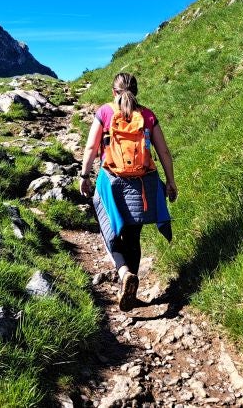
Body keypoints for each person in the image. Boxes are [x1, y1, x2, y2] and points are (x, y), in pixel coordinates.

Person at [79, 72, 178, 311]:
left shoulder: (104, 112)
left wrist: (84, 176)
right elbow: (163, 152)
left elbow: (92, 146)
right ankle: (131, 282)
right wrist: (170, 181)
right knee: (133, 237)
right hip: (144, 184)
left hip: (111, 182)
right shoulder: (147, 115)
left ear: (113, 92)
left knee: (109, 230)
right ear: (136, 91)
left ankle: (124, 274)